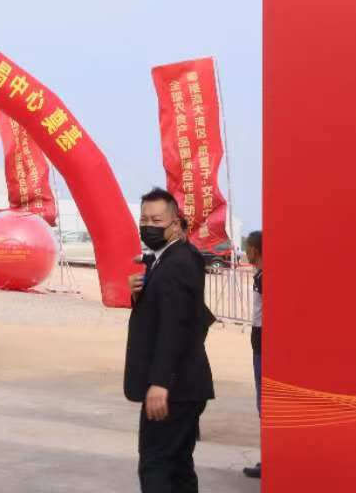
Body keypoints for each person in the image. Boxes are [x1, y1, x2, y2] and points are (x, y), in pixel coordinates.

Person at [123, 187, 214, 492]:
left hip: (175, 387)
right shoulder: (166, 259)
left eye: (156, 220)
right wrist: (139, 293)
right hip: (183, 385)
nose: (148, 225)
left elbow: (176, 327)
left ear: (175, 224)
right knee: (177, 465)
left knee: (157, 465)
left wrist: (161, 382)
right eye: (144, 219)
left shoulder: (178, 262)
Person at [242, 229, 263, 480]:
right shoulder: (260, 275)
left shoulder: (265, 277)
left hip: (263, 346)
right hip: (259, 344)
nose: (245, 252)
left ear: (255, 250)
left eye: (247, 248)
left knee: (264, 406)